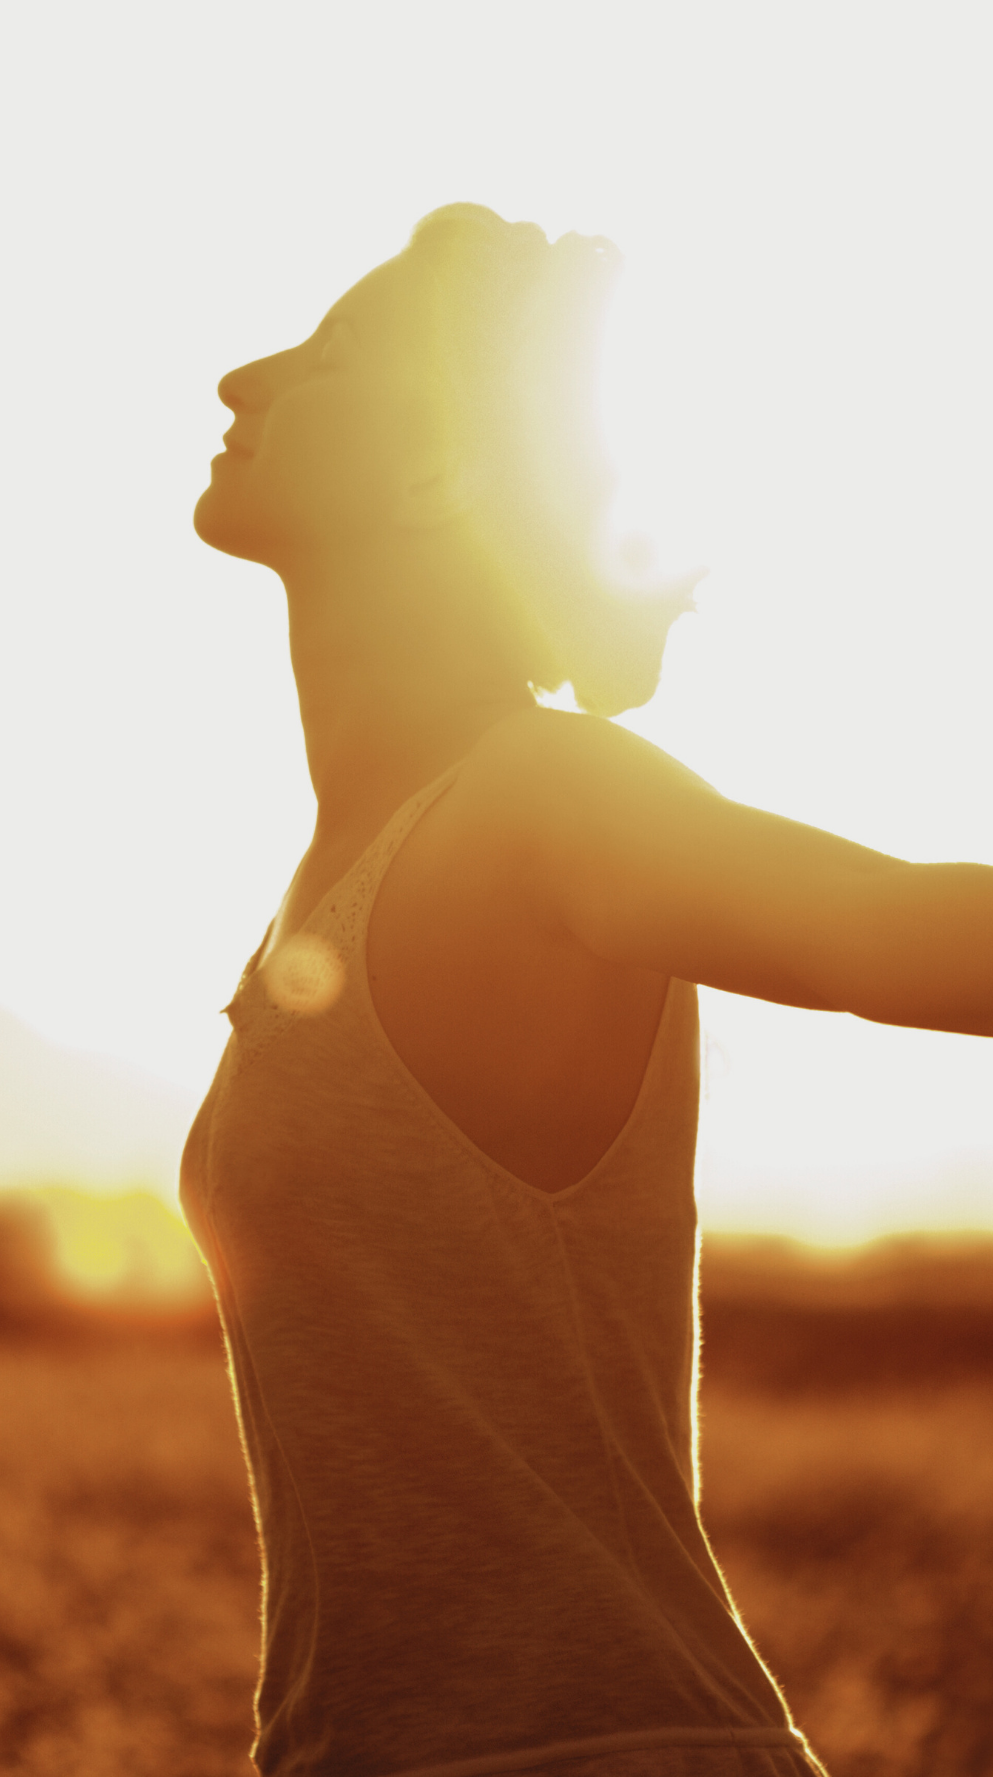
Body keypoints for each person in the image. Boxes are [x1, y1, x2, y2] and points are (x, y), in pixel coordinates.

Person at [180, 203, 991, 1777]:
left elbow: (900, 926)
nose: (243, 378)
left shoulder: (541, 804)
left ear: (432, 473)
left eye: (328, 355)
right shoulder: (333, 888)